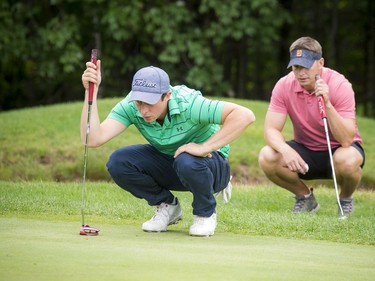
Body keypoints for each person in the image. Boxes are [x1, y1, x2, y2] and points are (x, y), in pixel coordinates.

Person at [81, 62, 255, 236]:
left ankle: (205, 213)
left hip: (211, 166)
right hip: (174, 162)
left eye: (150, 103)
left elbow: (244, 115)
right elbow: (93, 139)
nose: (143, 110)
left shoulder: (189, 103)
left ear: (167, 95)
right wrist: (91, 92)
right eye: (139, 102)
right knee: (118, 162)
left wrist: (204, 147)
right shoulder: (131, 106)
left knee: (187, 160)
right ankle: (167, 206)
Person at [258, 36, 365, 218]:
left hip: (340, 149)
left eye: (306, 66)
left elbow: (347, 139)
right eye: (296, 67)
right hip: (306, 151)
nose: (300, 73)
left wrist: (328, 104)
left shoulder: (340, 85)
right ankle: (305, 197)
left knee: (347, 160)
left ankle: (345, 199)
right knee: (267, 156)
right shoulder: (284, 85)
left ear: (320, 63)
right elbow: (270, 130)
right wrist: (285, 149)